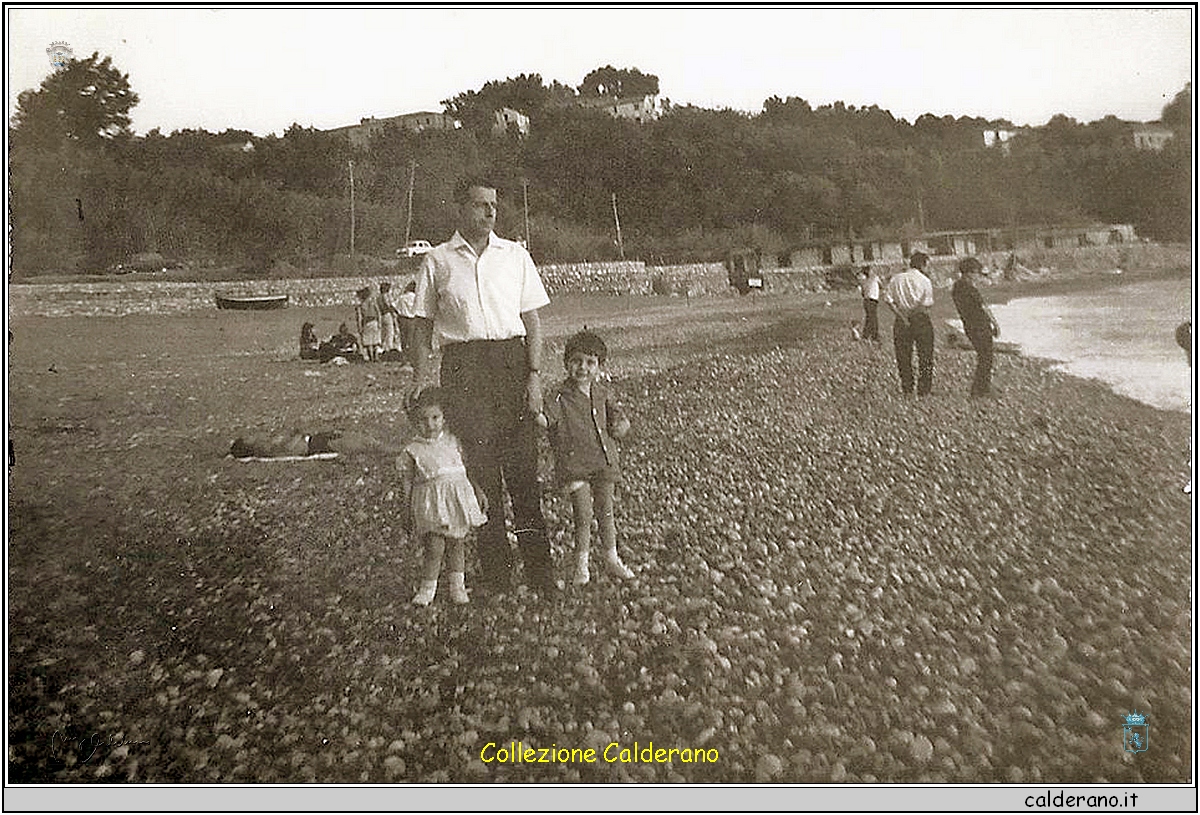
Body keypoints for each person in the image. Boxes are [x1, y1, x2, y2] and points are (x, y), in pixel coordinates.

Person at [409, 177, 554, 596]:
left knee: (524, 476)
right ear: (459, 208)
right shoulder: (437, 261)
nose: (490, 212)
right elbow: (421, 327)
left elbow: (533, 322)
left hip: (511, 363)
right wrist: (419, 377)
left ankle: (541, 575)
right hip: (464, 369)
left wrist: (533, 376)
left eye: (493, 204)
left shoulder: (515, 255)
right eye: (479, 205)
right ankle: (497, 578)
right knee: (482, 478)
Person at [540, 329, 634, 585]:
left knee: (606, 511)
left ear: (600, 367)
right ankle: (581, 564)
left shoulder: (602, 392)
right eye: (577, 361)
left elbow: (616, 416)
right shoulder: (559, 396)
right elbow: (546, 419)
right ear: (567, 363)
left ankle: (611, 558)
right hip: (575, 465)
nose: (583, 368)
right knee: (582, 515)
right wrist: (535, 414)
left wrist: (623, 424)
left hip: (604, 461)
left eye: (590, 363)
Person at [398, 388, 488, 606]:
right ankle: (427, 588)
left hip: (456, 501)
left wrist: (478, 490)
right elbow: (408, 482)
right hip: (431, 504)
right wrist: (406, 508)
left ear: (444, 417)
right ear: (414, 421)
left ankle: (457, 586)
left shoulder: (453, 441)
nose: (430, 425)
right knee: (434, 547)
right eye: (423, 420)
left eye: (435, 418)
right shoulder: (413, 450)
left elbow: (465, 469)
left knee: (457, 543)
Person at [886, 251, 936, 397]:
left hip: (901, 319)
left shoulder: (896, 279)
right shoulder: (925, 280)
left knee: (903, 356)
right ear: (922, 264)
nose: (928, 268)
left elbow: (888, 300)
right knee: (925, 355)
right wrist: (913, 312)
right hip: (920, 319)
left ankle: (907, 387)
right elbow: (926, 304)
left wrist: (901, 316)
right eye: (927, 265)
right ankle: (924, 389)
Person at [951, 257, 1001, 397]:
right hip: (980, 325)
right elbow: (983, 307)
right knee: (986, 357)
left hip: (969, 325)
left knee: (983, 356)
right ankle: (981, 389)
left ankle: (980, 388)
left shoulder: (957, 287)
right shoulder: (969, 288)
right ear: (969, 272)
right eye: (976, 272)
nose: (978, 275)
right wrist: (995, 324)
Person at [356, 285, 383, 361]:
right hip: (374, 322)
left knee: (368, 342)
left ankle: (370, 356)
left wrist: (360, 328)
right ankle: (375, 356)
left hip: (366, 323)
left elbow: (359, 318)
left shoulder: (361, 306)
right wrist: (379, 323)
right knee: (375, 340)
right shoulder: (373, 303)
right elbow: (378, 313)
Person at [397, 281, 419, 366]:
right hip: (412, 319)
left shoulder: (402, 298)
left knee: (403, 339)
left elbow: (395, 306)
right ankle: (412, 358)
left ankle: (404, 358)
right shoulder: (416, 298)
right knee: (412, 339)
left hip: (403, 319)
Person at [858, 266, 881, 342]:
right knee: (873, 318)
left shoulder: (864, 281)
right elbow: (881, 285)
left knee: (869, 317)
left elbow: (863, 293)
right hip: (873, 300)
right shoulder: (875, 278)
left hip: (866, 300)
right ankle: (874, 335)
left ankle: (866, 335)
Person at [378, 281, 401, 356]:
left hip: (382, 315)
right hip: (387, 314)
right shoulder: (385, 296)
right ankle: (389, 349)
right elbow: (389, 305)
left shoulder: (378, 297)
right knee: (390, 332)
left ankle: (384, 348)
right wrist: (395, 311)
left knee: (384, 333)